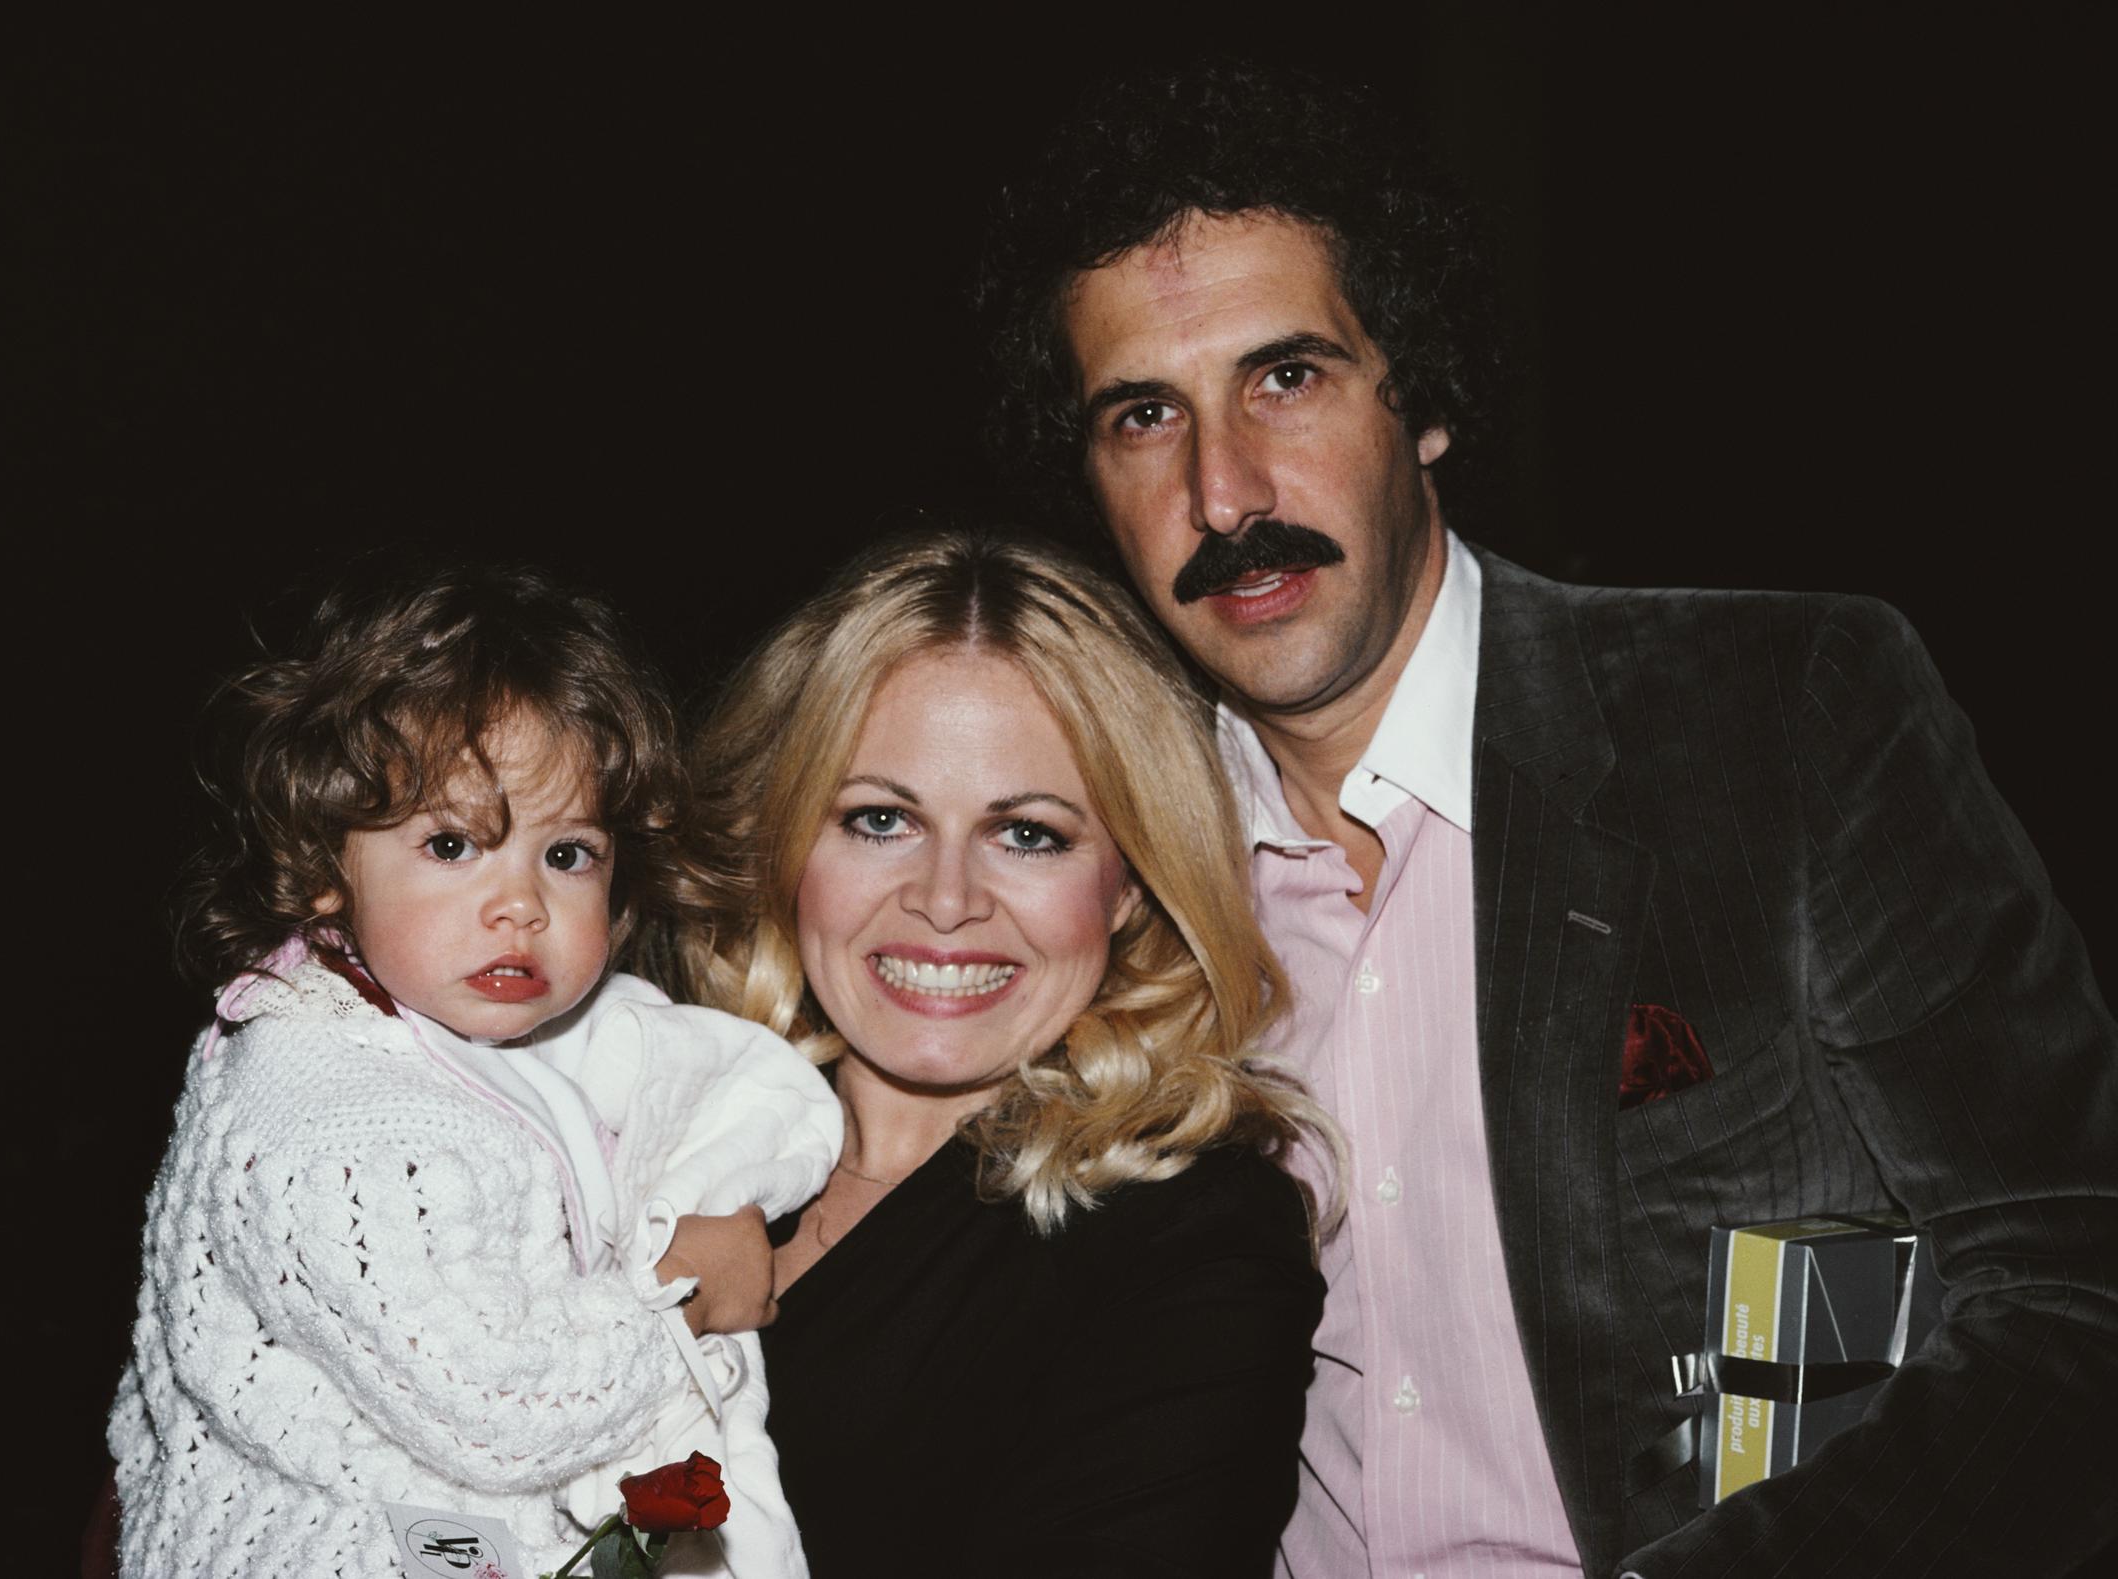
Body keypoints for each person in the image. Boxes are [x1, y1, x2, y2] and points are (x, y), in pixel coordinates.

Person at [979, 62, 2117, 1579]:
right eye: (1143, 414)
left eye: (1288, 375)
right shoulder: (1084, 866)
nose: (1224, 486)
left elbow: (2074, 1281)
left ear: (1424, 399)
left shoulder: (1774, 717)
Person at [106, 564, 842, 1578]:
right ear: (322, 866)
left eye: (568, 853)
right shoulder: (328, 1110)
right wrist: (682, 1291)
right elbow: (500, 1403)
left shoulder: (439, 1030)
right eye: (453, 844)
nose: (521, 904)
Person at [674, 531, 1332, 1577]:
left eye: (1027, 834)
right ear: (783, 842)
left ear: (1126, 883)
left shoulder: (1190, 1241)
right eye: (880, 819)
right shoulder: (639, 1143)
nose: (944, 900)